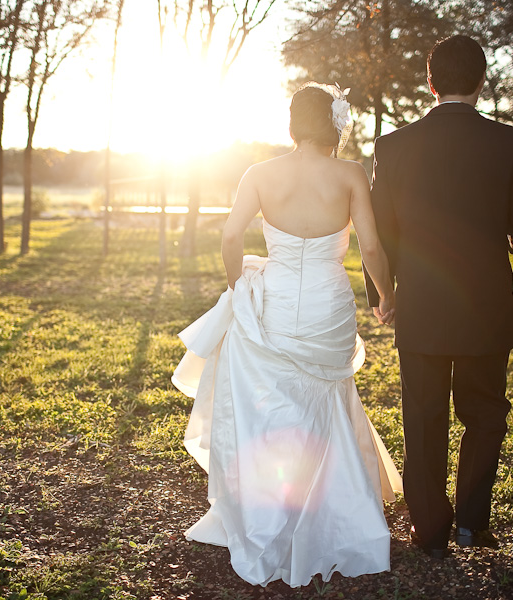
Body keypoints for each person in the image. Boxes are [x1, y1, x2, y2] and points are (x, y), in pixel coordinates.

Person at [172, 83, 402, 587]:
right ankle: (339, 516)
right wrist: (386, 296)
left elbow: (231, 235)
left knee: (273, 405)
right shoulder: (349, 174)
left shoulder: (259, 173)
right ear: (335, 124)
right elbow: (371, 246)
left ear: (292, 124)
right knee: (328, 400)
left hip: (273, 300)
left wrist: (239, 289)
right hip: (327, 303)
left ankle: (269, 507)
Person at [363, 35, 513, 559]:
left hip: (420, 304)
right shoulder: (512, 143)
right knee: (485, 412)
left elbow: (381, 234)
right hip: (485, 306)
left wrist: (383, 293)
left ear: (430, 83)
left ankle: (429, 532)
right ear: (481, 82)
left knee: (423, 417)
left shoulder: (393, 146)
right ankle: (472, 524)